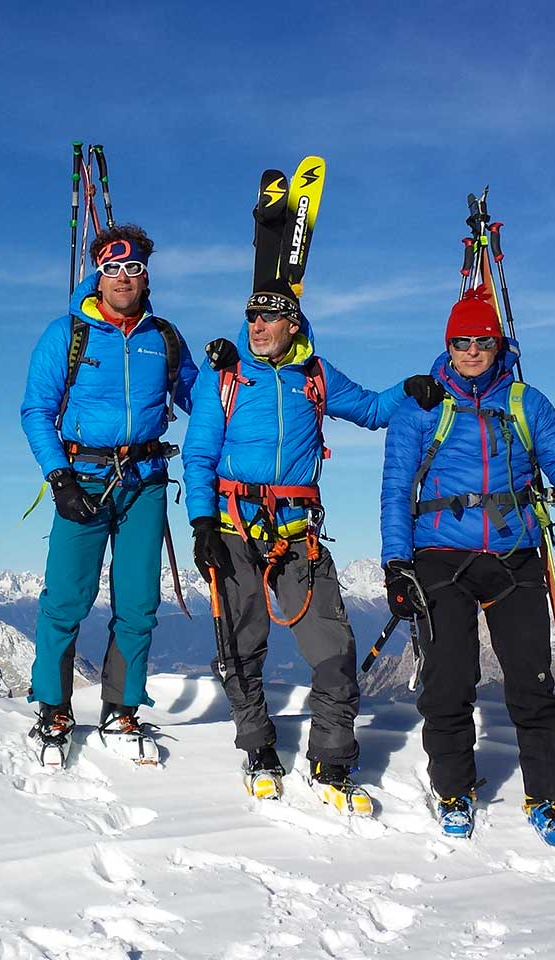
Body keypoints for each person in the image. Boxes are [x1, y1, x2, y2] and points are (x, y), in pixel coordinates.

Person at [379, 286, 555, 848]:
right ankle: (454, 789)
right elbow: (395, 492)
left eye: (480, 341)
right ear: (448, 345)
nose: (470, 351)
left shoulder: (526, 402)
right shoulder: (420, 406)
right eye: (460, 342)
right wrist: (396, 564)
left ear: (497, 344)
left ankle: (547, 799)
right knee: (448, 680)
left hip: (515, 553)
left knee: (533, 683)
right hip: (440, 553)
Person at [182, 280, 414, 813]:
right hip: (232, 529)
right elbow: (198, 456)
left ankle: (331, 759)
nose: (257, 327)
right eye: (251, 317)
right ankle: (259, 749)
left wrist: (415, 387)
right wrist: (200, 524)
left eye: (269, 318)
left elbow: (375, 410)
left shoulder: (317, 376)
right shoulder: (226, 378)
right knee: (240, 646)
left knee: (334, 649)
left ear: (293, 325)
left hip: (297, 535)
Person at [20, 224, 198, 766]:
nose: (123, 278)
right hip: (84, 479)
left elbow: (199, 398)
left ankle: (122, 706)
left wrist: (237, 371)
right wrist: (59, 477)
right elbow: (36, 411)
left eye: (133, 269)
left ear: (146, 275)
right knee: (65, 599)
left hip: (143, 482)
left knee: (139, 602)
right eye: (113, 269)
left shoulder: (162, 337)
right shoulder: (67, 334)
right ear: (99, 274)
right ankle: (53, 707)